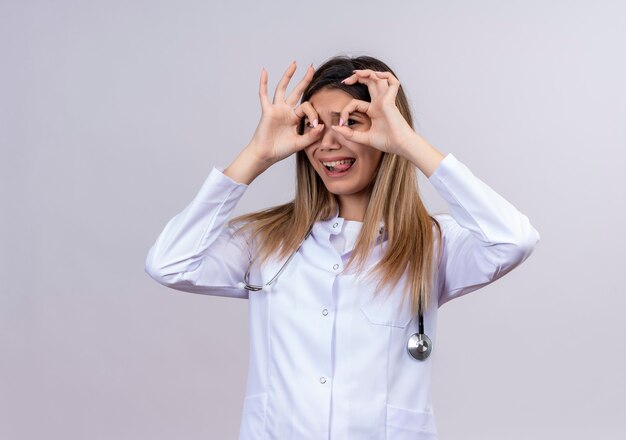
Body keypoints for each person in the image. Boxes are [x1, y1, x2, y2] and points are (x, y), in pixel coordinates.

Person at [145, 55, 540, 440]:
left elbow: (514, 239)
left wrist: (408, 143)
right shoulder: (264, 242)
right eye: (316, 126)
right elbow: (169, 263)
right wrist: (255, 156)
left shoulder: (430, 244)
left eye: (351, 123)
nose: (329, 143)